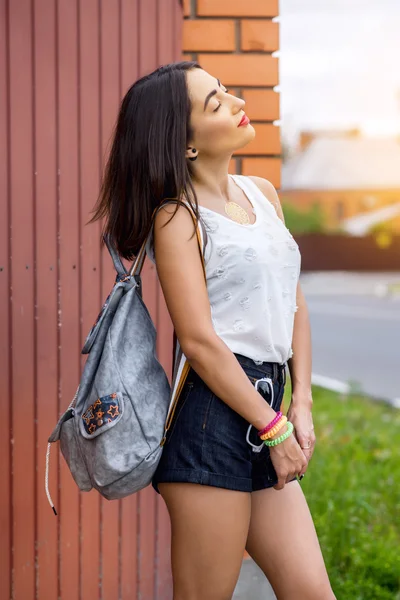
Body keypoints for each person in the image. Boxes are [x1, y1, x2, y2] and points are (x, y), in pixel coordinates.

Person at [89, 62, 336, 600]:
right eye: (214, 103)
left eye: (224, 91)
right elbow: (199, 342)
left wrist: (303, 404)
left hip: (270, 407)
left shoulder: (263, 194)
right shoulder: (177, 217)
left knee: (313, 593)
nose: (233, 101)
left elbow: (293, 303)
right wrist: (273, 427)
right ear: (187, 146)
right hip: (213, 421)